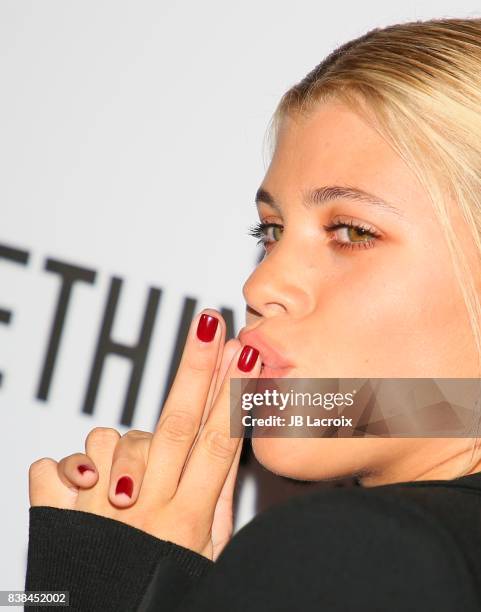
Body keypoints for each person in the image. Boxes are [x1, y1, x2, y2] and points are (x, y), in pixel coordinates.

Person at [25, 16, 481, 611]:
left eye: (350, 231)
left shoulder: (350, 552)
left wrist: (94, 588)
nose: (260, 283)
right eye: (270, 231)